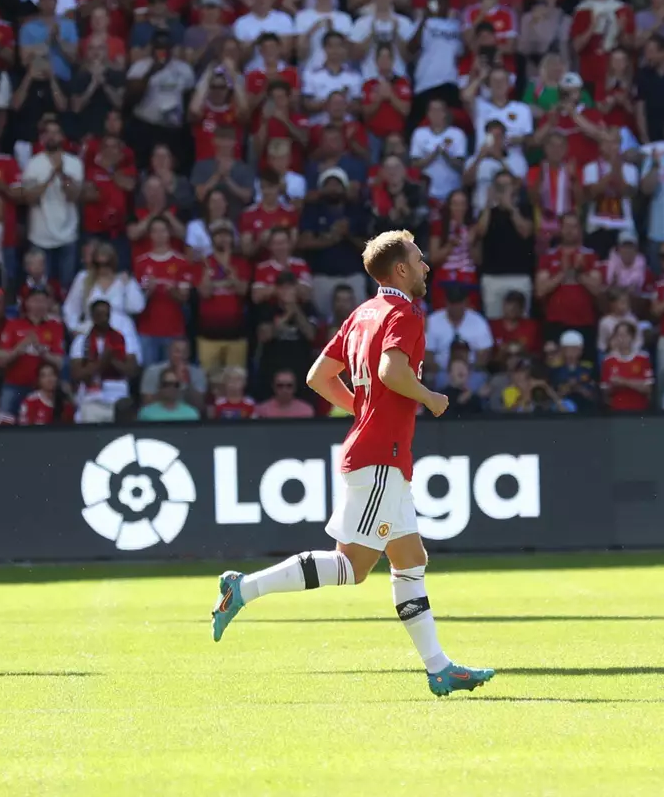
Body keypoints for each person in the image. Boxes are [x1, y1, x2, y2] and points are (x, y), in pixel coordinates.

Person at [210, 229, 495, 698]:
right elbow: (390, 372)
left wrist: (361, 409)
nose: (427, 266)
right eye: (419, 259)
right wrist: (429, 397)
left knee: (411, 560)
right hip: (381, 456)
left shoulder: (363, 314)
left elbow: (318, 376)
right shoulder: (404, 311)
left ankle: (439, 667)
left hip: (379, 454)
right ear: (400, 269)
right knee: (352, 567)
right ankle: (243, 589)